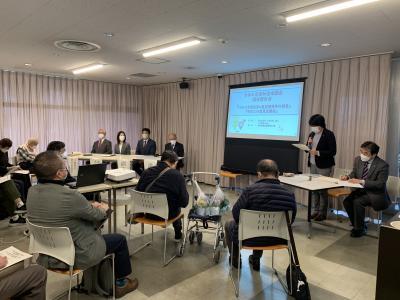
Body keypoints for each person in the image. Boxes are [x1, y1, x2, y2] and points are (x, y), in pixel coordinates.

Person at [27, 151, 138, 298]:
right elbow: (99, 216)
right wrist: (101, 207)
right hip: (76, 254)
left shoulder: (31, 191)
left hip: (48, 253)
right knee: (119, 240)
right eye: (65, 168)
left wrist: (85, 206)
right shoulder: (70, 196)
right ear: (60, 173)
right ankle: (120, 284)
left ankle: (95, 280)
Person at [224, 159, 297, 271]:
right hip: (279, 239)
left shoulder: (250, 191)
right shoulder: (289, 194)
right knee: (262, 227)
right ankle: (256, 258)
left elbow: (235, 214)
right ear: (277, 174)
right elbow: (290, 221)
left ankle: (235, 259)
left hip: (248, 238)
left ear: (259, 174)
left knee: (229, 224)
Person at [136, 150, 189, 240]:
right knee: (176, 205)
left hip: (147, 213)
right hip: (166, 216)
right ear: (175, 162)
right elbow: (184, 202)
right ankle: (178, 234)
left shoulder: (146, 172)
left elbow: (137, 192)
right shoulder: (177, 176)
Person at [341, 141, 390, 238]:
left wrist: (362, 181)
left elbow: (380, 184)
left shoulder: (383, 165)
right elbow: (354, 173)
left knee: (357, 202)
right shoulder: (358, 160)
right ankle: (357, 224)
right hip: (360, 191)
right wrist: (347, 177)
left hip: (375, 193)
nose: (362, 155)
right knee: (347, 201)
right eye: (361, 151)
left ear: (374, 154)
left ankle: (359, 229)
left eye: (366, 153)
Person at [307, 114, 336, 221]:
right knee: (314, 189)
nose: (312, 128)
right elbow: (308, 148)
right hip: (313, 164)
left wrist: (318, 152)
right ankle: (315, 211)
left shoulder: (329, 134)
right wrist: (307, 146)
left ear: (320, 125)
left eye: (314, 125)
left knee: (322, 190)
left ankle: (322, 213)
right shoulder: (312, 134)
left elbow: (333, 151)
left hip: (324, 166)